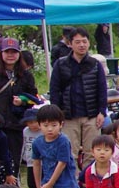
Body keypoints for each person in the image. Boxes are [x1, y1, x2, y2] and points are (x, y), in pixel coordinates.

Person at [46, 27, 107, 172]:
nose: (81, 45)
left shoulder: (95, 64)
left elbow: (102, 90)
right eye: (77, 42)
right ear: (70, 44)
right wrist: (57, 114)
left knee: (92, 151)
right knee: (69, 152)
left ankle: (89, 180)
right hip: (68, 115)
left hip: (91, 115)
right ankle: (72, 181)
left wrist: (102, 112)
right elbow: (54, 90)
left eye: (84, 42)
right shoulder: (61, 64)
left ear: (89, 43)